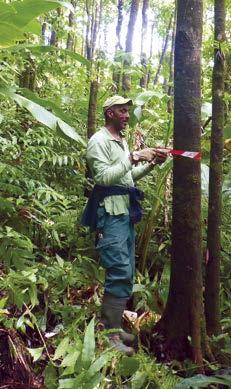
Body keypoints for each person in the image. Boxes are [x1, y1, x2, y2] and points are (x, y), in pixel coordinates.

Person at [81, 95, 168, 355]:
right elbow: (104, 177)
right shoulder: (99, 141)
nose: (127, 116)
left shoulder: (120, 141)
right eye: (122, 111)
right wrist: (133, 156)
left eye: (127, 111)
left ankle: (115, 329)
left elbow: (127, 177)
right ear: (110, 113)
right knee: (118, 270)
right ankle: (109, 336)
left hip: (125, 213)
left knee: (127, 270)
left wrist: (152, 163)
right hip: (110, 213)